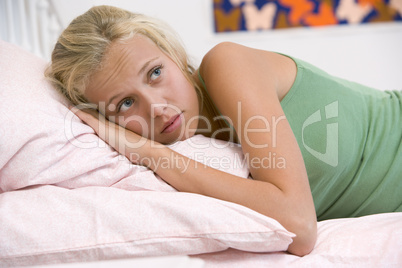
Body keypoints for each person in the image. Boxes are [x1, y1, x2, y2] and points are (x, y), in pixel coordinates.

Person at [45, 5, 402, 256]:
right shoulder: (185, 161)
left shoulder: (226, 65)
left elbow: (299, 226)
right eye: (125, 103)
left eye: (155, 73)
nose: (157, 108)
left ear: (173, 55)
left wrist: (152, 153)